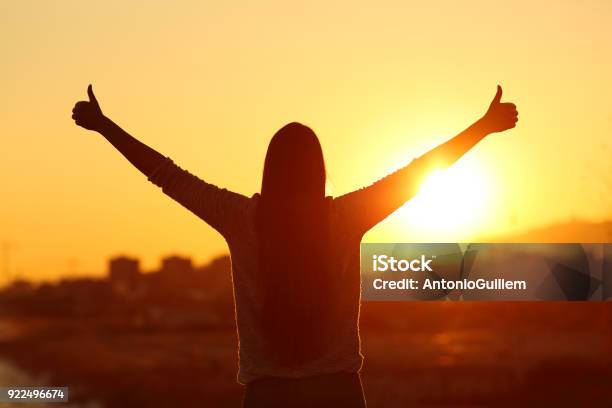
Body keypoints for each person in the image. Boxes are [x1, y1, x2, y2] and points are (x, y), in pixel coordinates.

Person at [72, 85, 518, 407]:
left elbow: (165, 174)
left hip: (267, 396)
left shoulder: (240, 218)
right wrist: (483, 127)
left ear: (270, 170)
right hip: (339, 394)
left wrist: (104, 126)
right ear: (319, 171)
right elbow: (419, 174)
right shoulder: (344, 218)